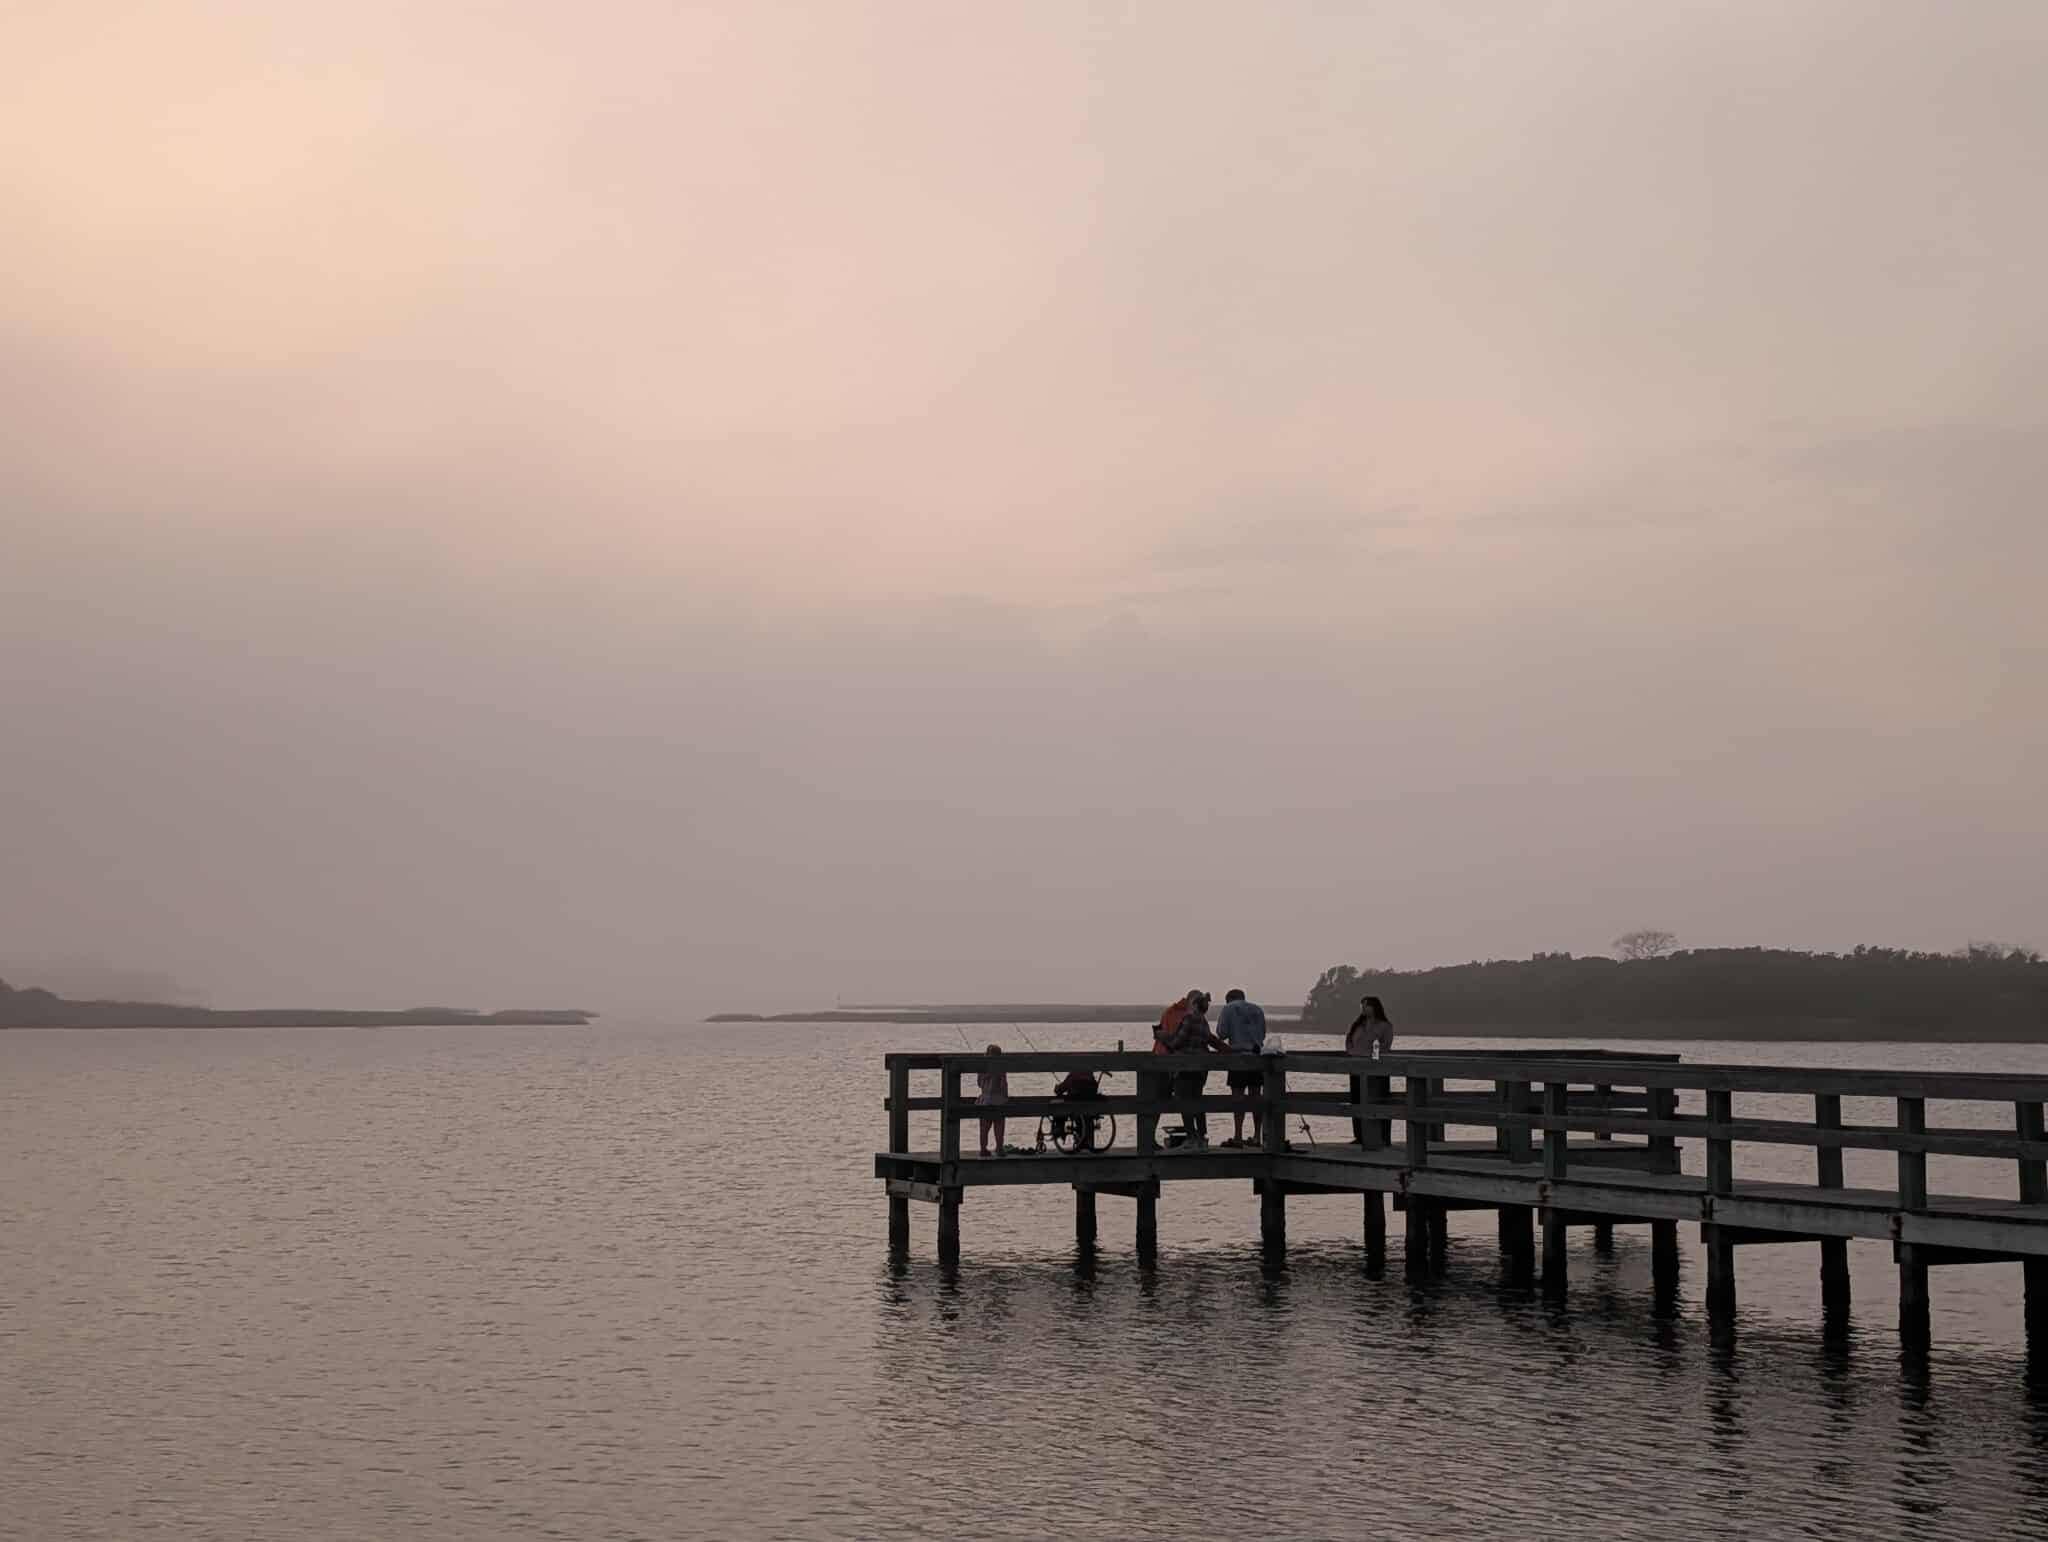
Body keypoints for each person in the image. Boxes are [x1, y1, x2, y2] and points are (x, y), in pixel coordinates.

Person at [1167, 990, 1222, 1146]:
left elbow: (1178, 1042)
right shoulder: (1204, 1022)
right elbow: (1207, 1042)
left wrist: (1165, 1038)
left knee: (1184, 1102)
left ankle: (1191, 1137)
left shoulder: (1189, 1019)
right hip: (1200, 1069)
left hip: (1185, 1067)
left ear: (1194, 1005)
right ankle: (1201, 1136)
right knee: (1197, 1101)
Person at [1214, 988, 1268, 1146]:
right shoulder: (1257, 1009)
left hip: (1238, 1058)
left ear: (1228, 999)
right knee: (1256, 1097)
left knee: (1238, 1097)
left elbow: (1222, 1033)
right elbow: (1263, 1034)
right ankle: (1257, 1136)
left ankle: (1238, 1136)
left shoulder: (1229, 1008)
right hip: (1257, 1058)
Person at [1346, 996, 1393, 1145]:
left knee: (1380, 1102)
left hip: (1377, 1069)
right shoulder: (1358, 1025)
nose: (1363, 1008)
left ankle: (1383, 1137)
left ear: (1374, 1007)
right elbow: (1348, 1041)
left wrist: (1372, 1057)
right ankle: (1359, 1136)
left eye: (1367, 1006)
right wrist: (1352, 1053)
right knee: (1356, 1101)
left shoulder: (1385, 1025)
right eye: (1362, 1006)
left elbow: (1385, 1046)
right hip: (1356, 1067)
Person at [976, 1044, 1009, 1156]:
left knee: (984, 1127)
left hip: (985, 1099)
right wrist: (1006, 1097)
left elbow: (979, 1084)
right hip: (998, 1099)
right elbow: (1004, 1086)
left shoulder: (982, 1068)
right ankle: (999, 1148)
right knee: (999, 1125)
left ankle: (983, 1148)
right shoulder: (1001, 1069)